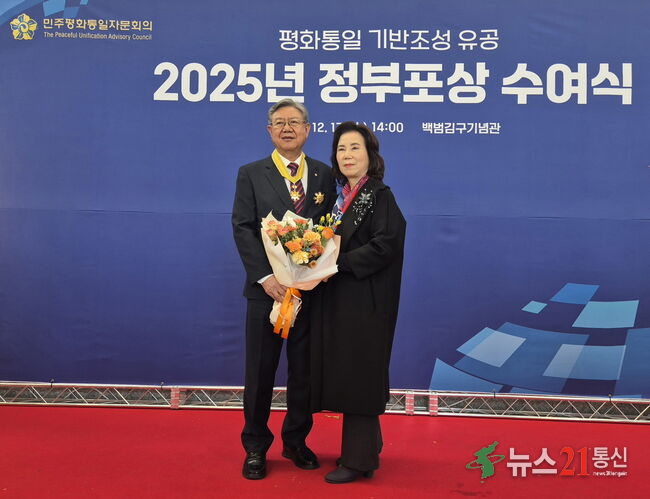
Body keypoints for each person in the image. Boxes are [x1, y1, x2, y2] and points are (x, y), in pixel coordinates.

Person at [231, 99, 336, 480]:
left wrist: (315, 275)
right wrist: (266, 278)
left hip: (309, 292)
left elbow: (329, 228)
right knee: (260, 372)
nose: (287, 128)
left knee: (304, 372)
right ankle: (255, 447)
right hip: (267, 293)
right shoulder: (251, 173)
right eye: (279, 122)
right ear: (269, 131)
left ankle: (296, 441)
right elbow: (243, 226)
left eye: (294, 122)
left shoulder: (325, 174)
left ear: (308, 129)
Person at [310, 121, 406, 484]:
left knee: (360, 374)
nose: (347, 155)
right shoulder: (341, 200)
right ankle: (367, 448)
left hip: (367, 302)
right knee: (352, 372)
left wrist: (336, 262)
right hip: (345, 302)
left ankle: (358, 460)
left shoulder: (379, 196)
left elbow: (386, 244)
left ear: (370, 156)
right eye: (341, 149)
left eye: (355, 148)